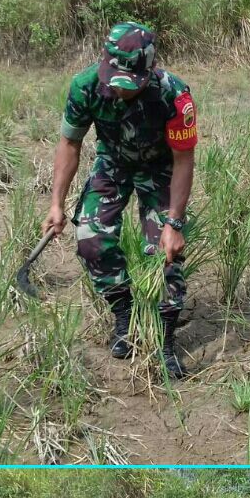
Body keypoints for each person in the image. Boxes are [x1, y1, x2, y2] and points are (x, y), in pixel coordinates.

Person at [41, 22, 198, 378]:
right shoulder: (85, 88)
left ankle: (166, 338)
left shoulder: (173, 95)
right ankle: (124, 314)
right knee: (91, 241)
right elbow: (70, 144)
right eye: (114, 80)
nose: (120, 90)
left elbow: (183, 160)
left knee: (165, 252)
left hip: (160, 168)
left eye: (130, 85)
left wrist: (173, 223)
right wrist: (56, 204)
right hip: (113, 164)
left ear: (148, 71)